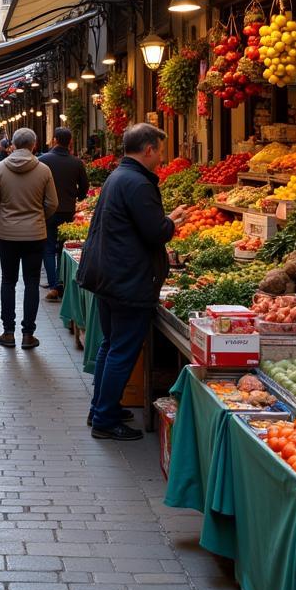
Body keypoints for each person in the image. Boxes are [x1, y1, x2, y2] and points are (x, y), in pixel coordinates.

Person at [77, 123, 188, 441]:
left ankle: (101, 406)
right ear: (149, 149)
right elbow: (154, 232)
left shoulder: (118, 176)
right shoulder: (138, 183)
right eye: (161, 150)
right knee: (122, 349)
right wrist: (172, 221)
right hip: (127, 279)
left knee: (110, 345)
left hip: (110, 275)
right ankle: (105, 419)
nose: (163, 158)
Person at [0, 128, 58, 349]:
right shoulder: (44, 170)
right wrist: (38, 218)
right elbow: (52, 203)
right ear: (34, 145)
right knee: (32, 282)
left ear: (13, 145)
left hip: (7, 233)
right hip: (35, 234)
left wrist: (1, 221)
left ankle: (8, 332)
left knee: (8, 281)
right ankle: (28, 334)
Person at [39, 127, 90, 302]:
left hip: (47, 211)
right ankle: (62, 281)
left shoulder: (42, 160)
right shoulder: (76, 163)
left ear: (54, 140)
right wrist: (76, 197)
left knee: (48, 247)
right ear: (70, 142)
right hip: (68, 210)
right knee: (63, 247)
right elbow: (84, 188)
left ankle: (54, 285)